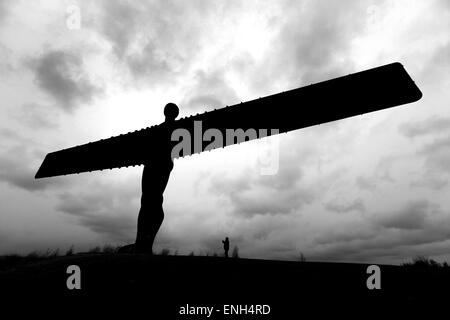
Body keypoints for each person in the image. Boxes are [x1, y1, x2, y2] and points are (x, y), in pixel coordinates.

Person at [134, 103, 179, 254]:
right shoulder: (170, 129)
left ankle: (143, 243)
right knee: (151, 200)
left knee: (150, 200)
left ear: (165, 112)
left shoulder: (161, 130)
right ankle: (143, 242)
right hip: (160, 164)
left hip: (156, 164)